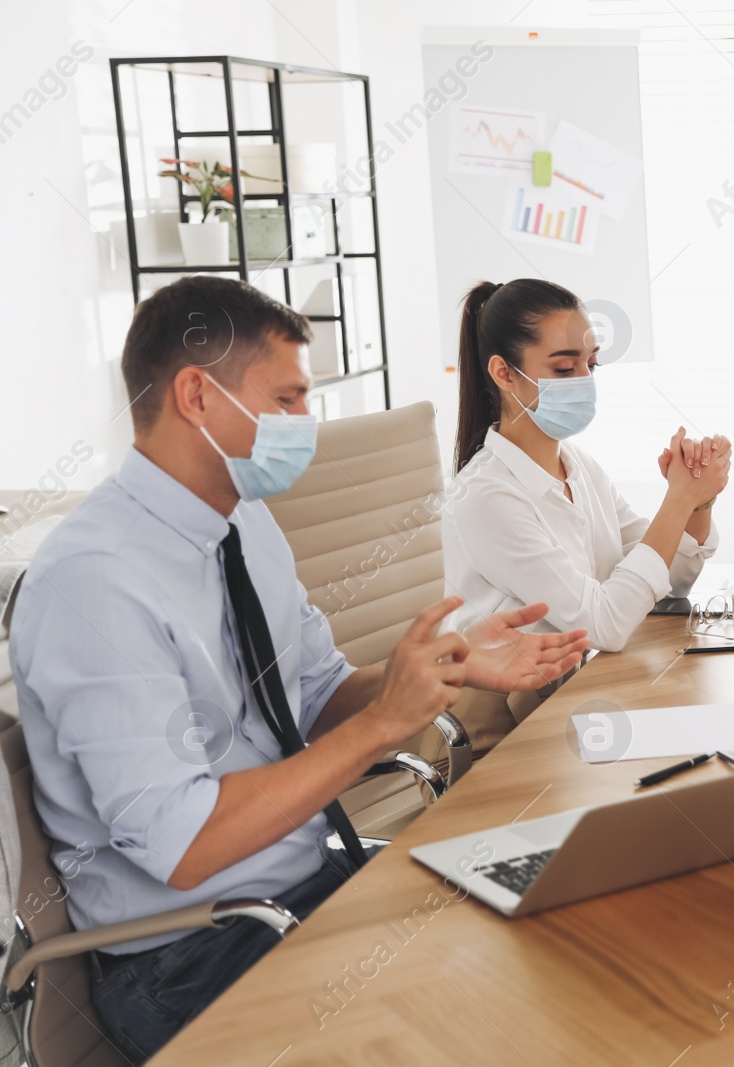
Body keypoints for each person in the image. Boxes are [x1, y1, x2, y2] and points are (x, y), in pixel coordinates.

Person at [8, 276, 589, 1063]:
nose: (304, 424)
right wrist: (386, 721)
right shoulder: (94, 582)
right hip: (192, 954)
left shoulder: (243, 520)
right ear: (196, 395)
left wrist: (440, 668)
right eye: (285, 399)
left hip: (311, 882)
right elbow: (182, 844)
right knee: (480, 1023)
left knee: (551, 926)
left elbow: (314, 696)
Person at [443, 279, 728, 653]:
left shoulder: (579, 467)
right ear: (505, 373)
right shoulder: (485, 497)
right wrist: (679, 499)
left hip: (583, 681)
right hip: (526, 706)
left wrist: (696, 502)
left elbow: (668, 583)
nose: (585, 382)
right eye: (564, 369)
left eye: (591, 364)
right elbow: (604, 626)